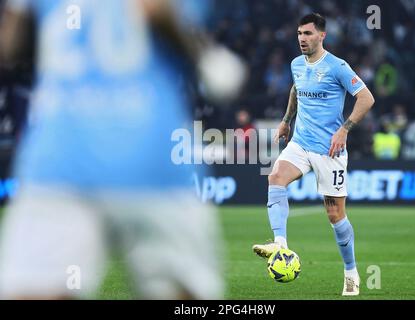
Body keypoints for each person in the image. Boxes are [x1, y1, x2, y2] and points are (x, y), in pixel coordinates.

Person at [0, 0, 246, 299]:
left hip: (60, 161)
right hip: (147, 160)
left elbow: (10, 45)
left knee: (34, 290)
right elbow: (162, 13)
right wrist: (205, 55)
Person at [252, 13, 375, 296]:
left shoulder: (337, 67)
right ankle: (280, 244)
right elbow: (296, 89)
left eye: (307, 34)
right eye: (299, 34)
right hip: (300, 142)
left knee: (335, 215)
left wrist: (344, 129)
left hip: (329, 150)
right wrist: (286, 120)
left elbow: (366, 98)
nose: (302, 39)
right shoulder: (296, 64)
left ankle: (351, 272)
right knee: (276, 177)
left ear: (322, 36)